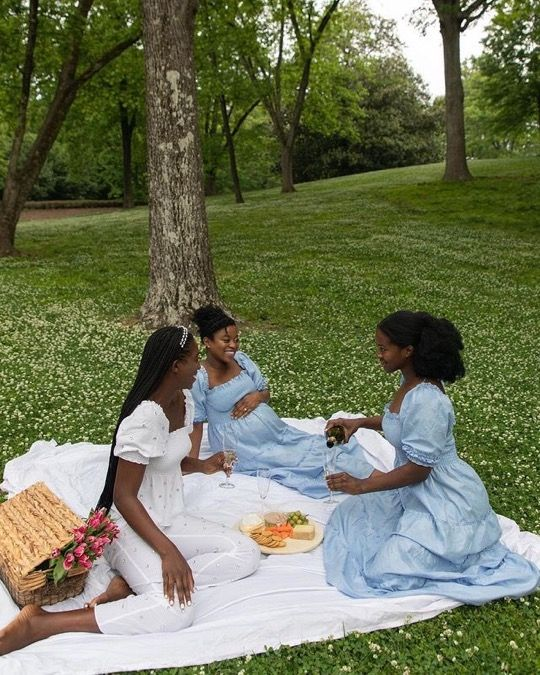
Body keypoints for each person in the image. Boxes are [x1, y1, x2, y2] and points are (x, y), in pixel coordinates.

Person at [0, 326, 260, 655]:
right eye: (195, 359)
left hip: (171, 518)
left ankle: (132, 583)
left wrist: (205, 465)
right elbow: (124, 497)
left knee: (245, 553)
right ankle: (41, 623)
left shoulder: (185, 400)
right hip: (129, 526)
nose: (200, 366)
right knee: (176, 610)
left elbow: (170, 461)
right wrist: (168, 553)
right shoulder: (143, 420)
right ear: (175, 366)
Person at [323, 311, 539, 604]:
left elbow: (419, 470)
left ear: (407, 351)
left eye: (384, 348)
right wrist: (360, 423)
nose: (379, 355)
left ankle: (456, 554)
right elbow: (400, 422)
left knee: (384, 572)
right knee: (355, 518)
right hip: (418, 492)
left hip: (444, 499)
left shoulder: (427, 399)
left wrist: (361, 485)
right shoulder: (411, 380)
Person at [189, 305, 374, 499]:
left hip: (277, 433)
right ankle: (373, 481)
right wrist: (194, 464)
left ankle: (374, 479)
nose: (233, 346)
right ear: (207, 342)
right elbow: (197, 423)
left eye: (236, 340)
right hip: (243, 445)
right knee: (308, 461)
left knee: (318, 446)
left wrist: (257, 397)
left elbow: (265, 392)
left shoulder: (241, 360)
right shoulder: (200, 378)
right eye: (226, 340)